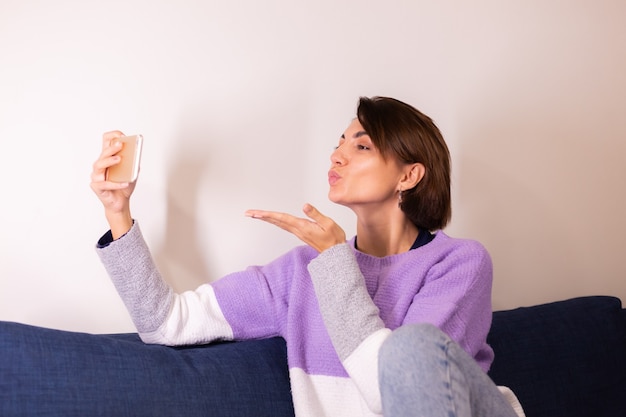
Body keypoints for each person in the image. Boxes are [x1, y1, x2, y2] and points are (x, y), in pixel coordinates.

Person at [90, 96, 524, 417]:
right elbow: (167, 323)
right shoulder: (302, 272)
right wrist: (118, 211)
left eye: (362, 146)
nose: (337, 155)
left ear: (409, 175)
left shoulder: (459, 264)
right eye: (339, 143)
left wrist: (336, 263)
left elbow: (399, 395)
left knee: (413, 348)